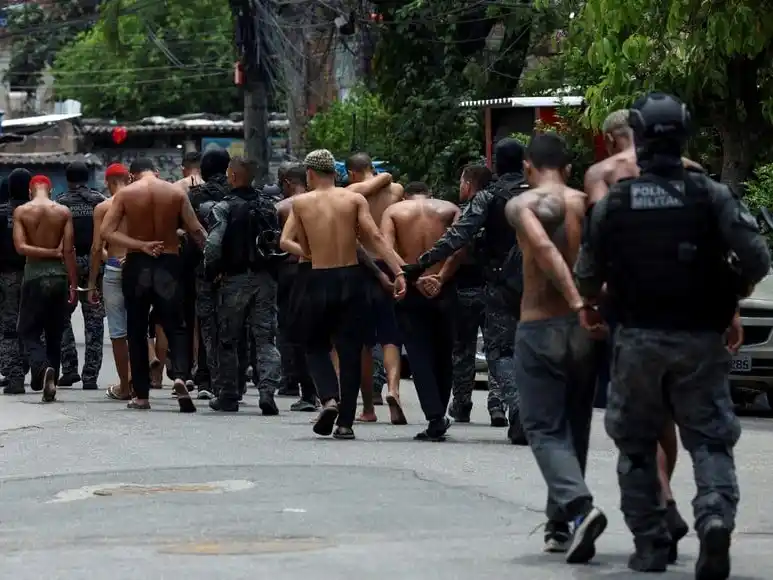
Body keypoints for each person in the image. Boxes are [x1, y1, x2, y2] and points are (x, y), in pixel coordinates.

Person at [575, 92, 771, 577]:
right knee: (709, 440)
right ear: (684, 135)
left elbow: (585, 275)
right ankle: (714, 520)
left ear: (638, 138)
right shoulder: (710, 194)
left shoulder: (614, 202)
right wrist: (731, 294)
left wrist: (595, 302)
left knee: (637, 443)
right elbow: (757, 258)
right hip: (701, 340)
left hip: (638, 339)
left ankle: (651, 543)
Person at [584, 108, 700, 561]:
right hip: (688, 308)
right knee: (666, 414)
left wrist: (588, 301)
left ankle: (662, 500)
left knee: (638, 416)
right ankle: (663, 498)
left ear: (614, 138)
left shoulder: (604, 174)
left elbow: (596, 241)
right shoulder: (691, 172)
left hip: (629, 307)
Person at [504, 133, 607, 563]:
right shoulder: (587, 202)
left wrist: (573, 298)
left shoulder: (522, 205)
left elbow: (545, 248)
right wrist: (591, 306)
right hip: (585, 329)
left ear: (528, 166)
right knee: (575, 424)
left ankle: (580, 508)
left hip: (541, 323)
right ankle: (560, 523)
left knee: (543, 427)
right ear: (567, 167)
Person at [403, 138, 528, 444]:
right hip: (547, 283)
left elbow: (459, 235)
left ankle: (520, 407)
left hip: (504, 285)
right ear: (525, 163)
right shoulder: (543, 194)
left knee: (500, 351)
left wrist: (422, 262)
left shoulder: (489, 196)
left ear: (495, 165)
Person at [279, 149, 406, 440]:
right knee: (350, 350)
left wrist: (307, 252)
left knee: (315, 345)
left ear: (310, 174)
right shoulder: (353, 199)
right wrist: (399, 272)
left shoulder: (301, 203)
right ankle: (346, 422)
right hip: (351, 277)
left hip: (315, 277)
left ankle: (328, 398)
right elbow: (375, 238)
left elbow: (285, 241)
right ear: (334, 173)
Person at [101, 158, 207, 412]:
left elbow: (107, 231)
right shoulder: (175, 192)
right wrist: (210, 259)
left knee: (136, 329)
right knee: (177, 326)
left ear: (131, 176)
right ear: (157, 173)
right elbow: (196, 230)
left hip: (137, 265)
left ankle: (141, 396)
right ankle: (180, 375)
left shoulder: (126, 194)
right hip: (169, 265)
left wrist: (140, 245)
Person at [382, 187, 462, 439]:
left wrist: (410, 273)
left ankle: (435, 415)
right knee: (444, 351)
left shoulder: (394, 211)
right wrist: (440, 276)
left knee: (418, 353)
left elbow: (386, 248)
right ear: (429, 194)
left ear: (406, 196)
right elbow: (461, 245)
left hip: (411, 287)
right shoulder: (449, 208)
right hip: (444, 286)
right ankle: (440, 411)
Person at [203, 156, 281, 414]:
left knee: (228, 338)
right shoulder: (269, 206)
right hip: (265, 280)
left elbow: (213, 245)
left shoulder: (223, 207)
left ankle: (228, 394)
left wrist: (211, 272)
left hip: (234, 280)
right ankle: (267, 392)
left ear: (233, 176)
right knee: (265, 338)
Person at [345, 153, 404, 422]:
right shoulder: (397, 190)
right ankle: (393, 389)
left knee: (365, 343)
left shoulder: (351, 192)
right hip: (390, 264)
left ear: (352, 172)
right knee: (390, 335)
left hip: (363, 266)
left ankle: (368, 408)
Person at [14, 172, 78, 402]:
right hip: (59, 277)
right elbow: (69, 251)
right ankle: (52, 378)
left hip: (34, 276)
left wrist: (46, 253)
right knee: (54, 332)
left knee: (27, 330)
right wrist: (74, 284)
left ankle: (41, 369)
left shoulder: (22, 211)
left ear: (30, 191)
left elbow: (20, 247)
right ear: (50, 190)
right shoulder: (62, 212)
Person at [447, 165, 504, 426]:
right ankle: (497, 404)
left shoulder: (469, 212)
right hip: (495, 288)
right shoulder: (500, 210)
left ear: (469, 184)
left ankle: (462, 403)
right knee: (497, 349)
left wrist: (439, 274)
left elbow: (458, 247)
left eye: (461, 182)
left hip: (467, 288)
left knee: (463, 349)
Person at [57, 162, 107, 390]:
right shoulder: (100, 201)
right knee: (94, 320)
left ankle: (69, 369)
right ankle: (90, 376)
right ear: (87, 178)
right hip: (96, 262)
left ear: (67, 179)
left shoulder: (60, 203)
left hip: (68, 263)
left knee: (62, 316)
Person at [189, 148, 232, 400]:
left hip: (203, 269)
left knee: (207, 325)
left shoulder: (194, 196)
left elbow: (187, 231)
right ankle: (231, 381)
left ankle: (206, 377)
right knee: (234, 326)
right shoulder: (239, 193)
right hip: (235, 271)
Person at [276, 162, 318, 411]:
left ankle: (300, 387)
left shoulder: (282, 208)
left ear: (289, 183)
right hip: (326, 267)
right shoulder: (325, 202)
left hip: (291, 270)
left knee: (292, 330)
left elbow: (274, 245)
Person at [89, 163, 132, 400]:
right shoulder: (141, 204)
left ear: (107, 182)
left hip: (114, 269)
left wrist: (92, 283)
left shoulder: (103, 207)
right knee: (137, 326)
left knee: (118, 331)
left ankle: (125, 386)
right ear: (129, 177)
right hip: (137, 269)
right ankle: (140, 381)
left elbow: (97, 248)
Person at [0, 171, 33, 394]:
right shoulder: (39, 212)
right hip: (34, 273)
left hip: (5, 278)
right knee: (34, 325)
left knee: (8, 329)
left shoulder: (1, 213)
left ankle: (14, 376)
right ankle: (36, 368)